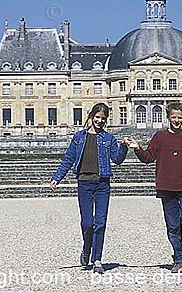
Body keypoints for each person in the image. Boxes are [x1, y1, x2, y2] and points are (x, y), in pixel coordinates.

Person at [126, 102, 182, 273]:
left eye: (179, 117)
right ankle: (178, 258)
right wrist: (137, 149)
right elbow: (148, 157)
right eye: (174, 117)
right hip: (166, 187)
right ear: (168, 117)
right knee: (172, 225)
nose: (176, 120)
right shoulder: (160, 137)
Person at [50, 103, 128, 274]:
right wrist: (57, 178)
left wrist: (123, 147)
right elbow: (68, 159)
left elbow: (117, 160)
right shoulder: (79, 137)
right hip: (84, 184)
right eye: (97, 117)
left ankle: (97, 259)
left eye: (103, 118)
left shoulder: (109, 139)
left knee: (100, 223)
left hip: (102, 184)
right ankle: (87, 248)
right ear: (92, 117)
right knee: (87, 223)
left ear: (106, 120)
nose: (100, 120)